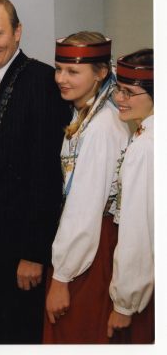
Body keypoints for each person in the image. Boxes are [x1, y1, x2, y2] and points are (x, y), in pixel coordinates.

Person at [0, 0, 71, 343]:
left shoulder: (44, 82)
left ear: (17, 32)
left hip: (21, 257)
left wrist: (34, 254)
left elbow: (46, 175)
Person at [43, 32, 130, 343]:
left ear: (101, 73)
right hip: (85, 242)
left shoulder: (102, 126)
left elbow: (84, 207)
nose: (61, 79)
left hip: (90, 249)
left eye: (73, 71)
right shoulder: (85, 114)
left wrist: (62, 276)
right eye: (59, 69)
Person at [107, 49, 154, 344]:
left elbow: (138, 231)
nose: (119, 98)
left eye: (129, 92)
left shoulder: (146, 147)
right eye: (118, 89)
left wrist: (124, 303)